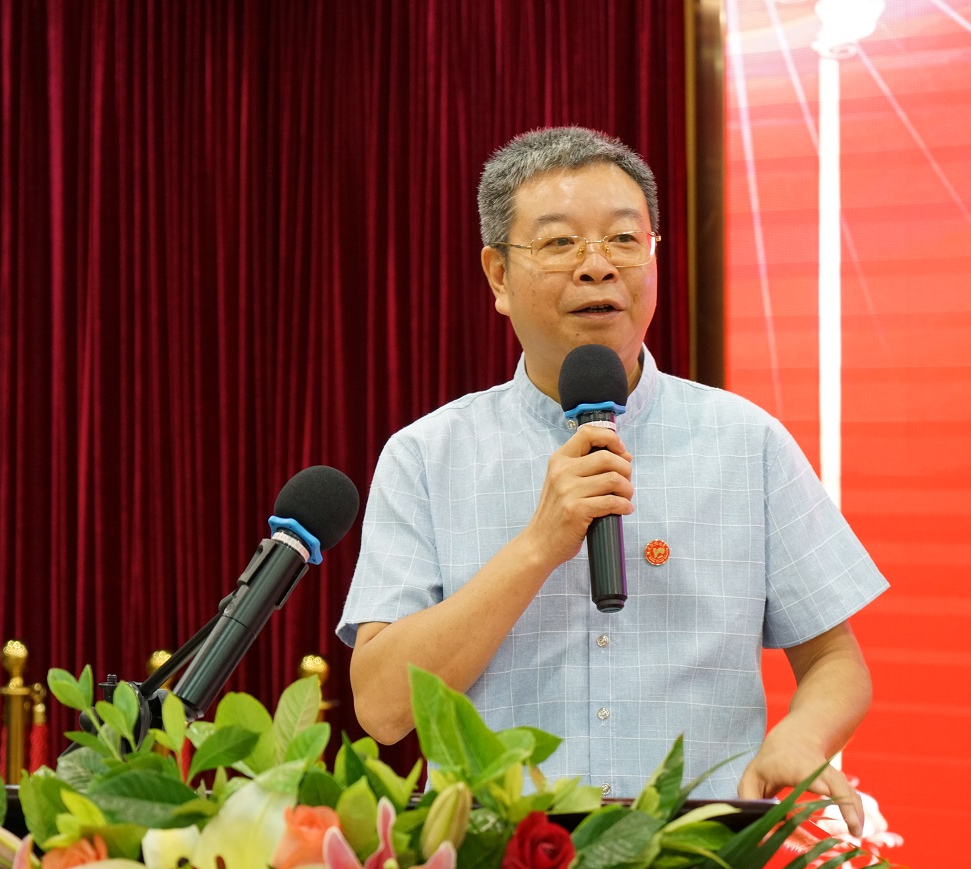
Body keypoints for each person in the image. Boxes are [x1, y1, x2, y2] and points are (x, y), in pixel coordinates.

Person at [337, 126, 886, 832]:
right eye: (560, 243)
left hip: (698, 859)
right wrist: (538, 545)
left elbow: (836, 660)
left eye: (625, 239)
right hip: (496, 867)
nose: (597, 267)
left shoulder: (746, 441)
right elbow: (383, 708)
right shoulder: (426, 455)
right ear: (498, 276)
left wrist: (801, 737)